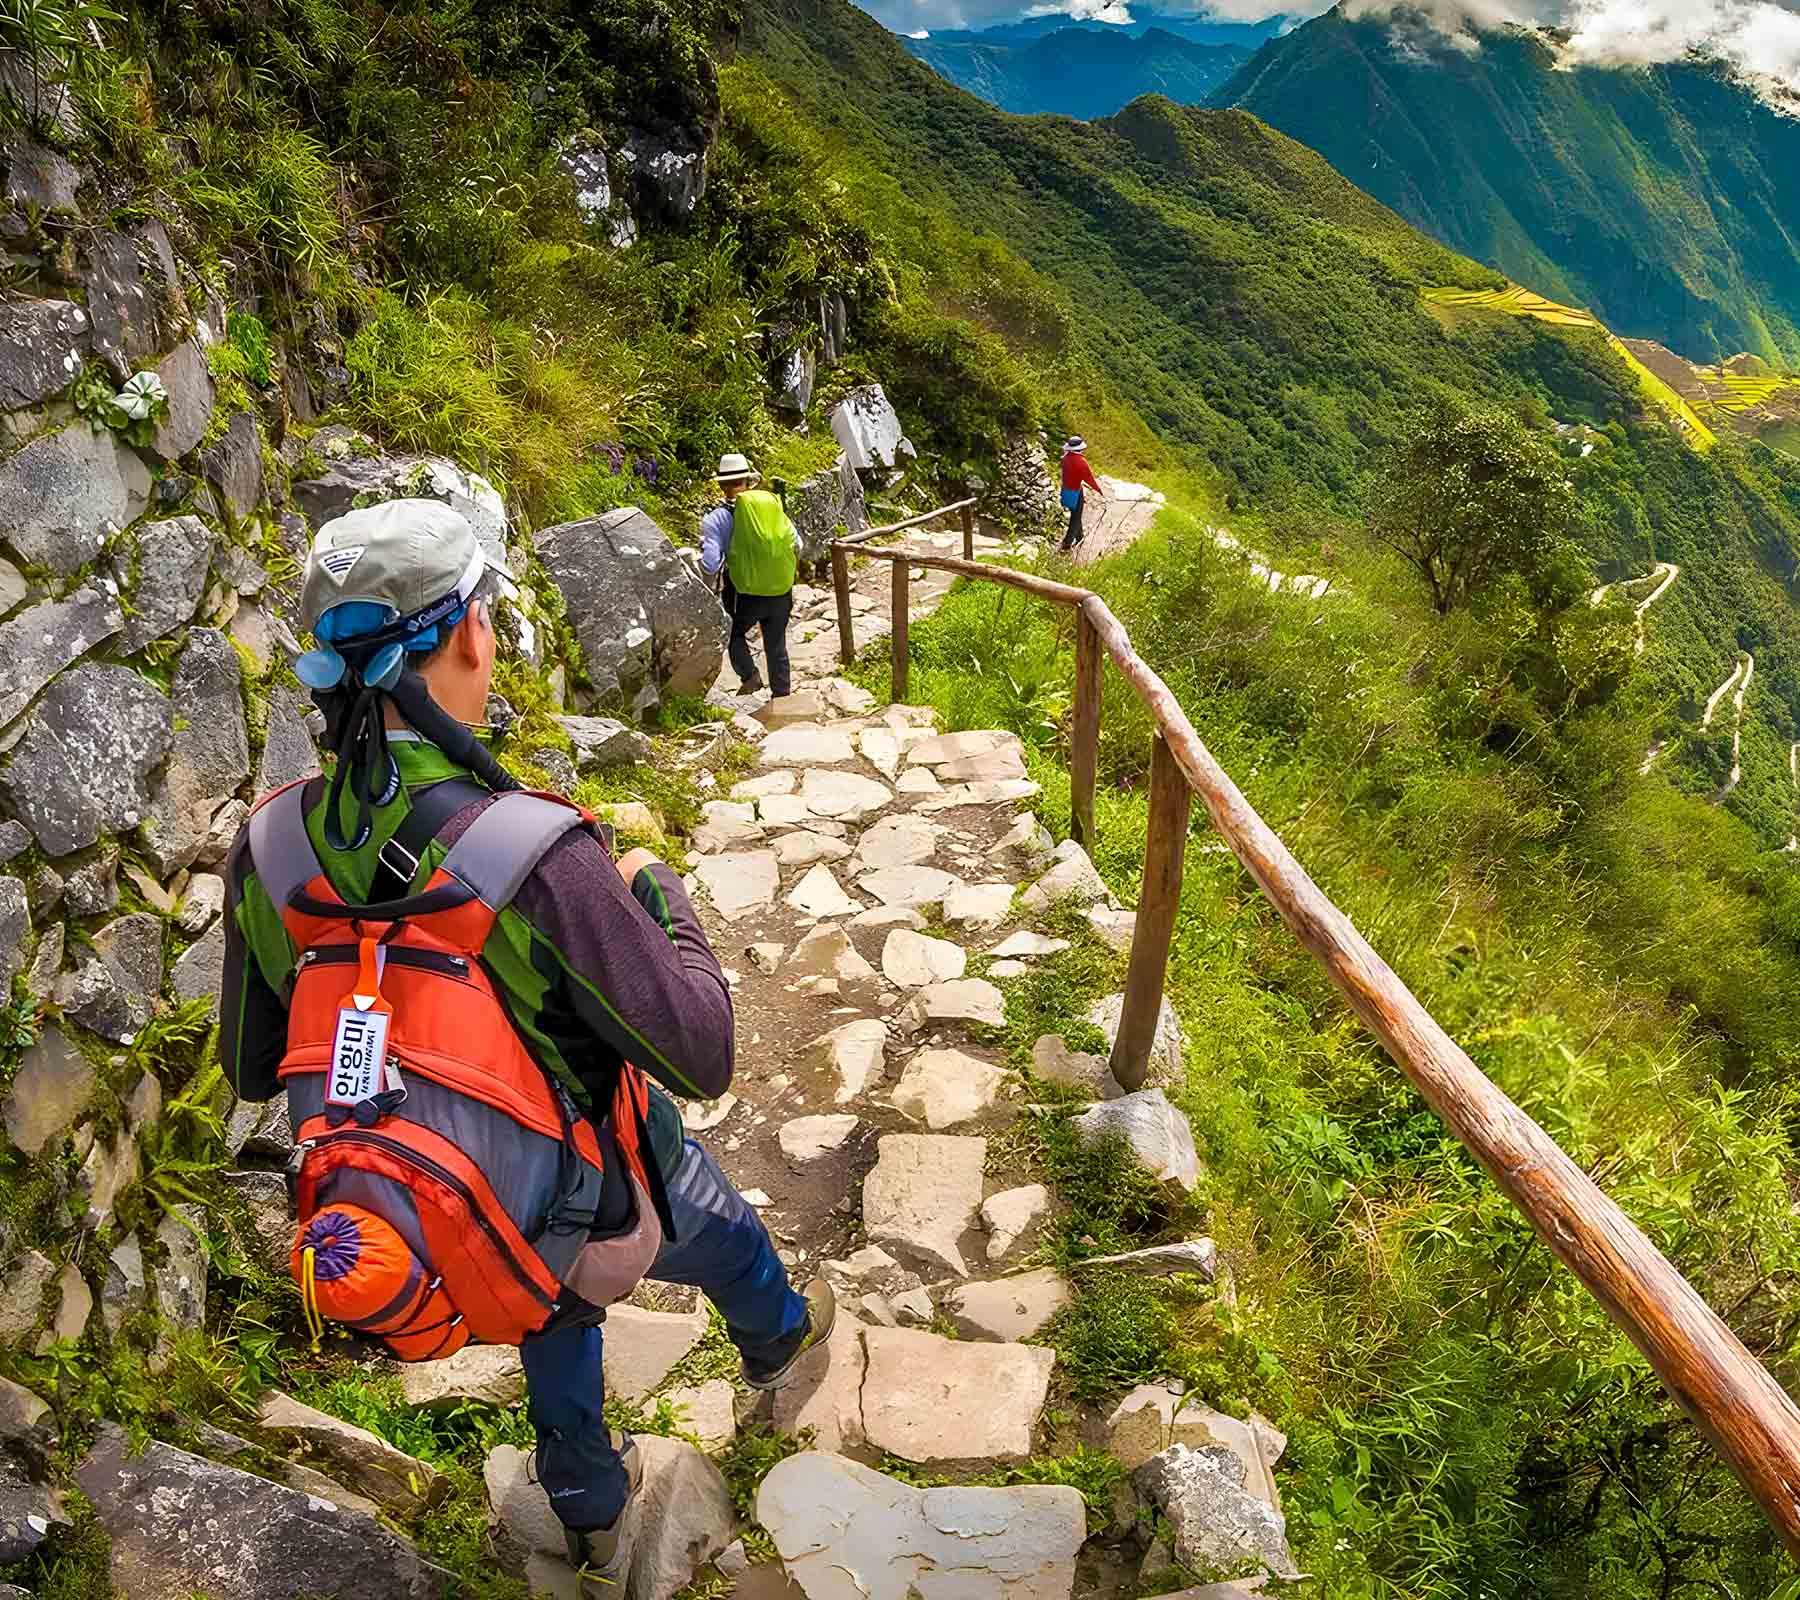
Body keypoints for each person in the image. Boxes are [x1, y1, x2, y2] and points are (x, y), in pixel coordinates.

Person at [219, 499, 833, 1592]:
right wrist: (662, 898)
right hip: (594, 1180)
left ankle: (593, 1514)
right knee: (725, 1241)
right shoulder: (532, 850)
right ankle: (780, 1343)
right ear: (465, 635)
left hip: (458, 1207)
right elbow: (701, 1053)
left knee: (555, 1313)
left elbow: (257, 1066)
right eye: (489, 615)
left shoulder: (269, 843)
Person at [700, 452, 799, 697]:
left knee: (733, 634)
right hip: (780, 590)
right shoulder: (772, 509)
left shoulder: (717, 519)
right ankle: (782, 697)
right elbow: (799, 544)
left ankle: (750, 675)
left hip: (743, 595)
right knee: (776, 645)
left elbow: (711, 565)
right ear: (748, 481)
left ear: (722, 485)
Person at [1059, 435, 1104, 552]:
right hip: (1075, 491)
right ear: (1080, 449)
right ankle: (1067, 543)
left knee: (1075, 513)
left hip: (1065, 490)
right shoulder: (1081, 462)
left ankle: (1080, 537)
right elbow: (1089, 479)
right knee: (1076, 517)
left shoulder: (1065, 458)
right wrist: (1099, 490)